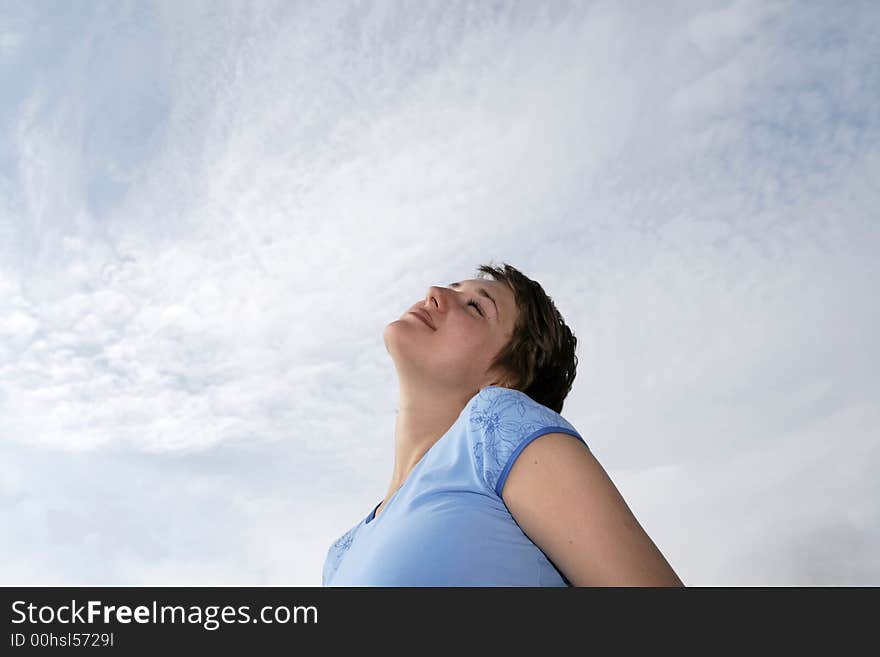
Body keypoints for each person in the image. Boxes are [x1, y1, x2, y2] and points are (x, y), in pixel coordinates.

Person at [322, 262, 684, 586]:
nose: (435, 293)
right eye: (453, 287)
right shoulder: (340, 555)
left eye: (475, 306)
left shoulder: (499, 426)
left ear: (509, 377)